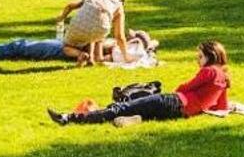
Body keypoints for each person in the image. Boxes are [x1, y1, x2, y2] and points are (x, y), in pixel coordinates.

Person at [49, 40, 232, 126]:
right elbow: (221, 105)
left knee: (120, 107)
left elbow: (186, 87)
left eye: (200, 56)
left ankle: (69, 117)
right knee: (136, 110)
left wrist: (179, 91)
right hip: (180, 113)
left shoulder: (209, 71)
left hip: (172, 102)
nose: (197, 60)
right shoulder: (224, 77)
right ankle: (133, 120)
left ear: (211, 56)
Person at [0, 0, 130, 65]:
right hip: (74, 44)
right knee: (21, 46)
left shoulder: (99, 1)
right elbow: (113, 40)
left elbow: (71, 6)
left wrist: (61, 18)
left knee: (21, 46)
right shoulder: (102, 31)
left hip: (64, 48)